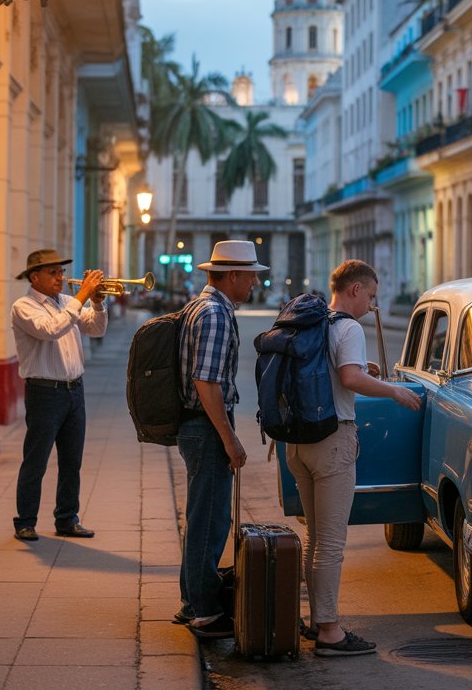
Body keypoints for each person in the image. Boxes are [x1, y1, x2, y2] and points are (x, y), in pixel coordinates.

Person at [286, 259, 422, 657]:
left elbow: (337, 372)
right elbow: (349, 379)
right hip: (332, 441)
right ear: (355, 290)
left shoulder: (314, 322)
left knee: (315, 536)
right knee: (330, 542)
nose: (373, 306)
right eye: (372, 297)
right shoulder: (348, 327)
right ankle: (329, 630)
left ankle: (317, 619)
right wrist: (392, 390)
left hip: (300, 443)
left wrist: (366, 372)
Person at [176, 240, 266, 639]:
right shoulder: (214, 313)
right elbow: (206, 382)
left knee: (203, 517)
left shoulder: (201, 305)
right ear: (231, 276)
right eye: (250, 276)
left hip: (198, 425)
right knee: (211, 520)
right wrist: (229, 438)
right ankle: (207, 612)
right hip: (206, 425)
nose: (253, 284)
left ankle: (193, 601)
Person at [11, 249, 107, 541]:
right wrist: (82, 297)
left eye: (61, 272)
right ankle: (25, 521)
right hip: (44, 393)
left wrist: (98, 302)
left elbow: (96, 329)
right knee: (36, 461)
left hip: (74, 391)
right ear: (34, 277)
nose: (61, 278)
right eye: (53, 273)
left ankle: (67, 518)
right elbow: (50, 330)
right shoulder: (24, 306)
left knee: (72, 461)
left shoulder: (66, 301)